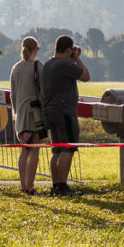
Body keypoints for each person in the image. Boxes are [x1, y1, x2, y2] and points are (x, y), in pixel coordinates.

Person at [41, 35, 90, 196]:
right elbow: (85, 76)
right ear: (68, 50)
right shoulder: (65, 64)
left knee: (57, 150)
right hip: (65, 112)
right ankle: (62, 186)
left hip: (50, 111)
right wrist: (77, 59)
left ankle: (55, 185)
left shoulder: (48, 64)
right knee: (67, 149)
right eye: (72, 50)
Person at [9, 36, 45, 195]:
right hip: (35, 114)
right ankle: (30, 186)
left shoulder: (15, 68)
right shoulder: (39, 66)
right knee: (35, 150)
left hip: (21, 114)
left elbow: (13, 95)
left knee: (24, 151)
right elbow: (43, 92)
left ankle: (23, 186)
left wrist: (17, 111)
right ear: (34, 50)